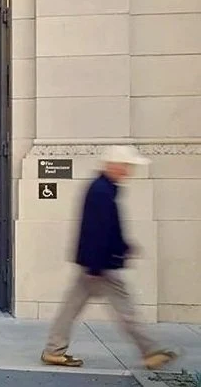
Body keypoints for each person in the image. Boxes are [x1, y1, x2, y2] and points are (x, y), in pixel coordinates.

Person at [43, 147, 178, 369]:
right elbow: (97, 230)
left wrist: (122, 246)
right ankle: (150, 351)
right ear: (115, 165)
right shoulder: (102, 191)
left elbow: (106, 228)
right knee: (125, 311)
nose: (129, 172)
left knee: (71, 308)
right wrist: (97, 266)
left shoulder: (104, 188)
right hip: (101, 266)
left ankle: (53, 350)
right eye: (127, 166)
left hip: (95, 263)